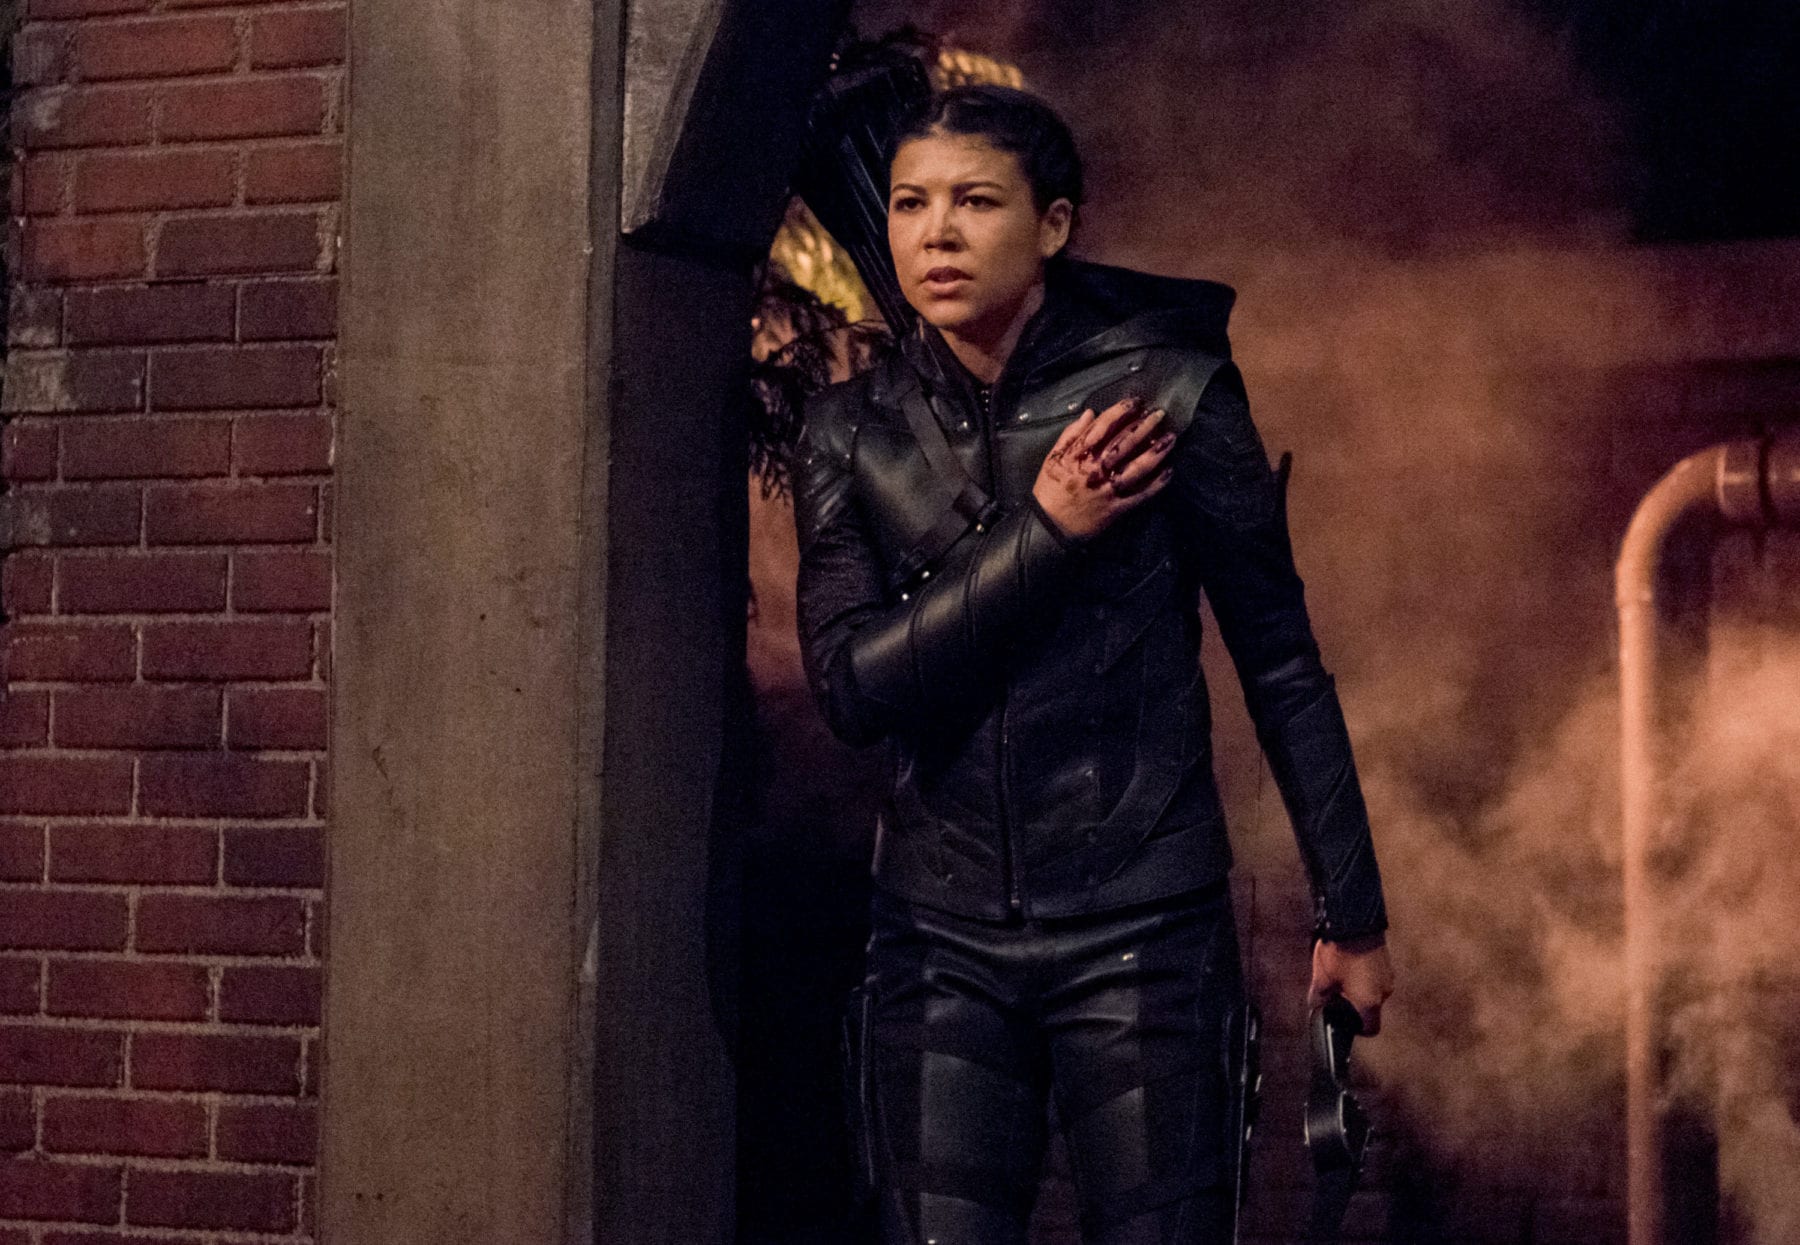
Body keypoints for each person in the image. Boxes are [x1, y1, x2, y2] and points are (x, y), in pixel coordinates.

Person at [791, 83, 1394, 1245]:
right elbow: (853, 689)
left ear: (1054, 224)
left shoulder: (1168, 393)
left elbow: (1280, 660)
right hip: (938, 935)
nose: (937, 233)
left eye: (976, 202)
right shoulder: (851, 428)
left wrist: (1353, 916)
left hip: (1144, 930)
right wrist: (1048, 533)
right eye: (911, 203)